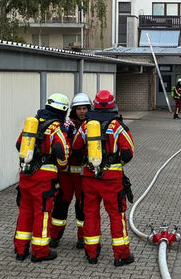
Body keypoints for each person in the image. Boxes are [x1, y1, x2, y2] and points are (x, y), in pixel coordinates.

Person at [71, 90, 136, 266]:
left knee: (90, 213)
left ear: (95, 105)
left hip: (89, 179)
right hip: (111, 180)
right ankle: (121, 255)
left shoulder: (85, 125)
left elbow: (76, 149)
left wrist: (89, 162)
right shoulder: (118, 126)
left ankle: (91, 253)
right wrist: (115, 164)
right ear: (113, 105)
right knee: (116, 215)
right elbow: (128, 153)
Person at [14, 93, 70, 263]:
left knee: (25, 211)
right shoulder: (56, 128)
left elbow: (19, 144)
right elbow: (61, 149)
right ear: (62, 111)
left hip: (26, 175)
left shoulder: (32, 124)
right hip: (44, 179)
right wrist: (62, 165)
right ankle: (40, 251)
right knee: (43, 213)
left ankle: (20, 250)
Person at [49, 92, 91, 249]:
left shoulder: (92, 126)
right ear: (74, 110)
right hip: (66, 174)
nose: (82, 111)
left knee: (83, 206)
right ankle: (54, 236)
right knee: (60, 205)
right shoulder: (66, 126)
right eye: (79, 108)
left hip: (82, 174)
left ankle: (82, 237)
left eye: (85, 108)